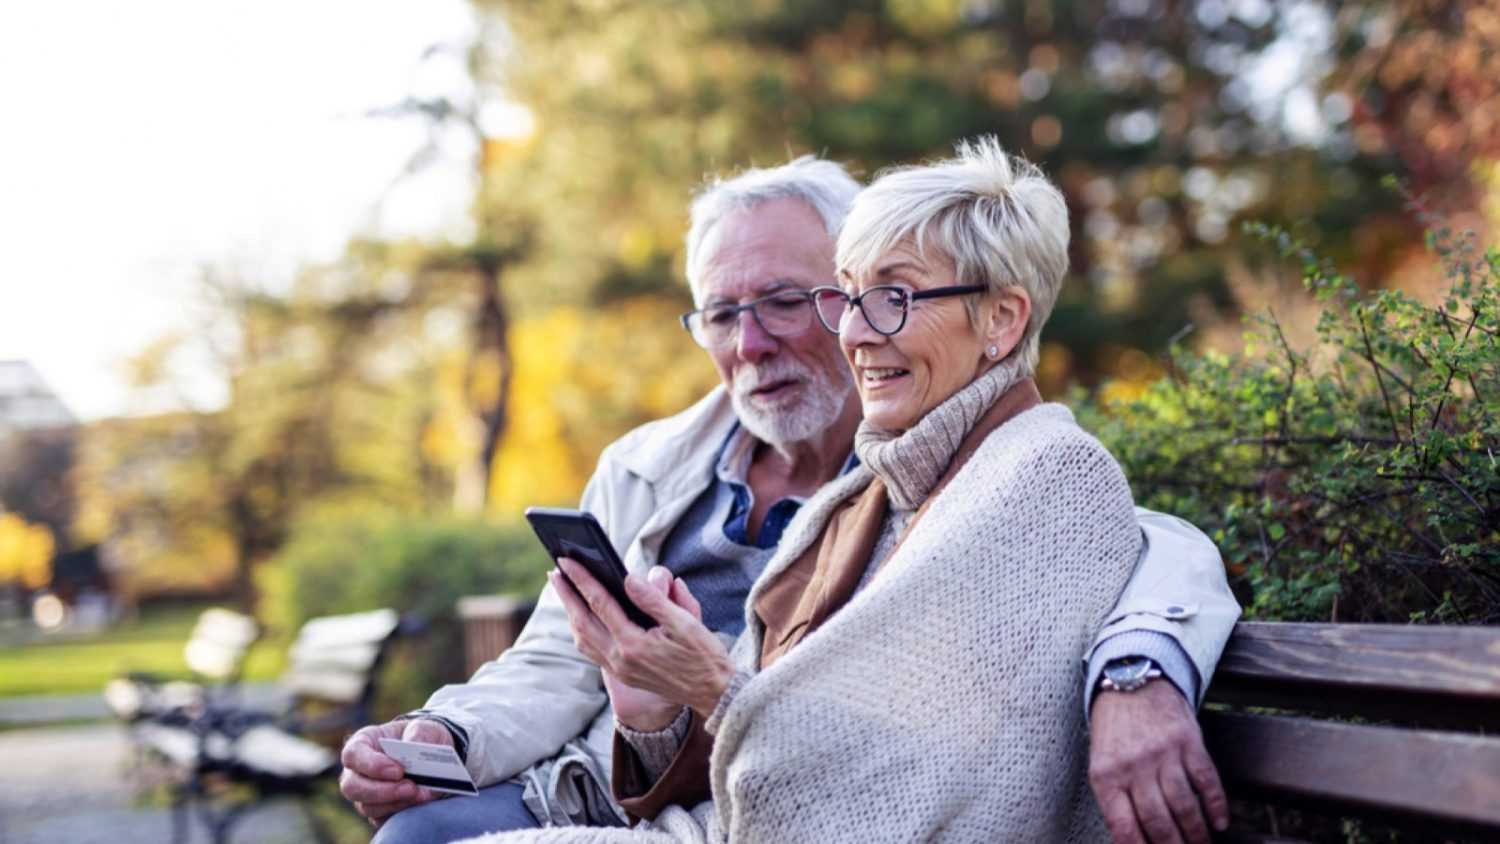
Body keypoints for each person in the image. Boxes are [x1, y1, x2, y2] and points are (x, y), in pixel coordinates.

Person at [339, 153, 1239, 844]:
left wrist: (1140, 671)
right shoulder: (650, 465)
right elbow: (550, 665)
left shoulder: (939, 452)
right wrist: (447, 736)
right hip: (621, 785)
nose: (751, 343)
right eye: (720, 313)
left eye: (781, 302)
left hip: (737, 807)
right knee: (415, 830)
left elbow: (1128, 536)